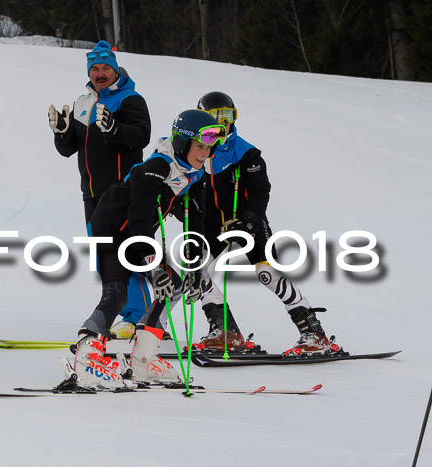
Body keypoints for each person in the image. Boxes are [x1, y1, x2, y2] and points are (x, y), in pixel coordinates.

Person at [70, 110, 227, 388]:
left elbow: (195, 224)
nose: (205, 153)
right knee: (117, 292)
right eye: (199, 146)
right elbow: (140, 216)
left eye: (209, 147)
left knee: (175, 286)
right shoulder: (158, 165)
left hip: (137, 234)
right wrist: (153, 266)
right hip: (110, 229)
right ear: (182, 143)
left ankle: (143, 360)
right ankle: (87, 352)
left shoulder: (195, 173)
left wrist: (195, 267)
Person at [194, 91, 334, 356]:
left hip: (245, 219)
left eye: (228, 116)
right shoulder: (195, 149)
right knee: (194, 269)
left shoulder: (246, 152)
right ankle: (225, 332)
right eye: (215, 117)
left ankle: (314, 334)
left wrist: (251, 219)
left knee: (267, 273)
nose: (223, 123)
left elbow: (260, 191)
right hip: (212, 223)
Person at [48, 40, 152, 339]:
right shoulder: (82, 103)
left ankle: (140, 318)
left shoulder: (130, 100)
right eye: (94, 68)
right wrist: (62, 133)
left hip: (124, 190)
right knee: (105, 257)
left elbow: (140, 136)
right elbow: (68, 150)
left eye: (106, 67)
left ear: (116, 69)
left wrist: (114, 129)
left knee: (125, 253)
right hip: (92, 193)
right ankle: (127, 315)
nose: (100, 73)